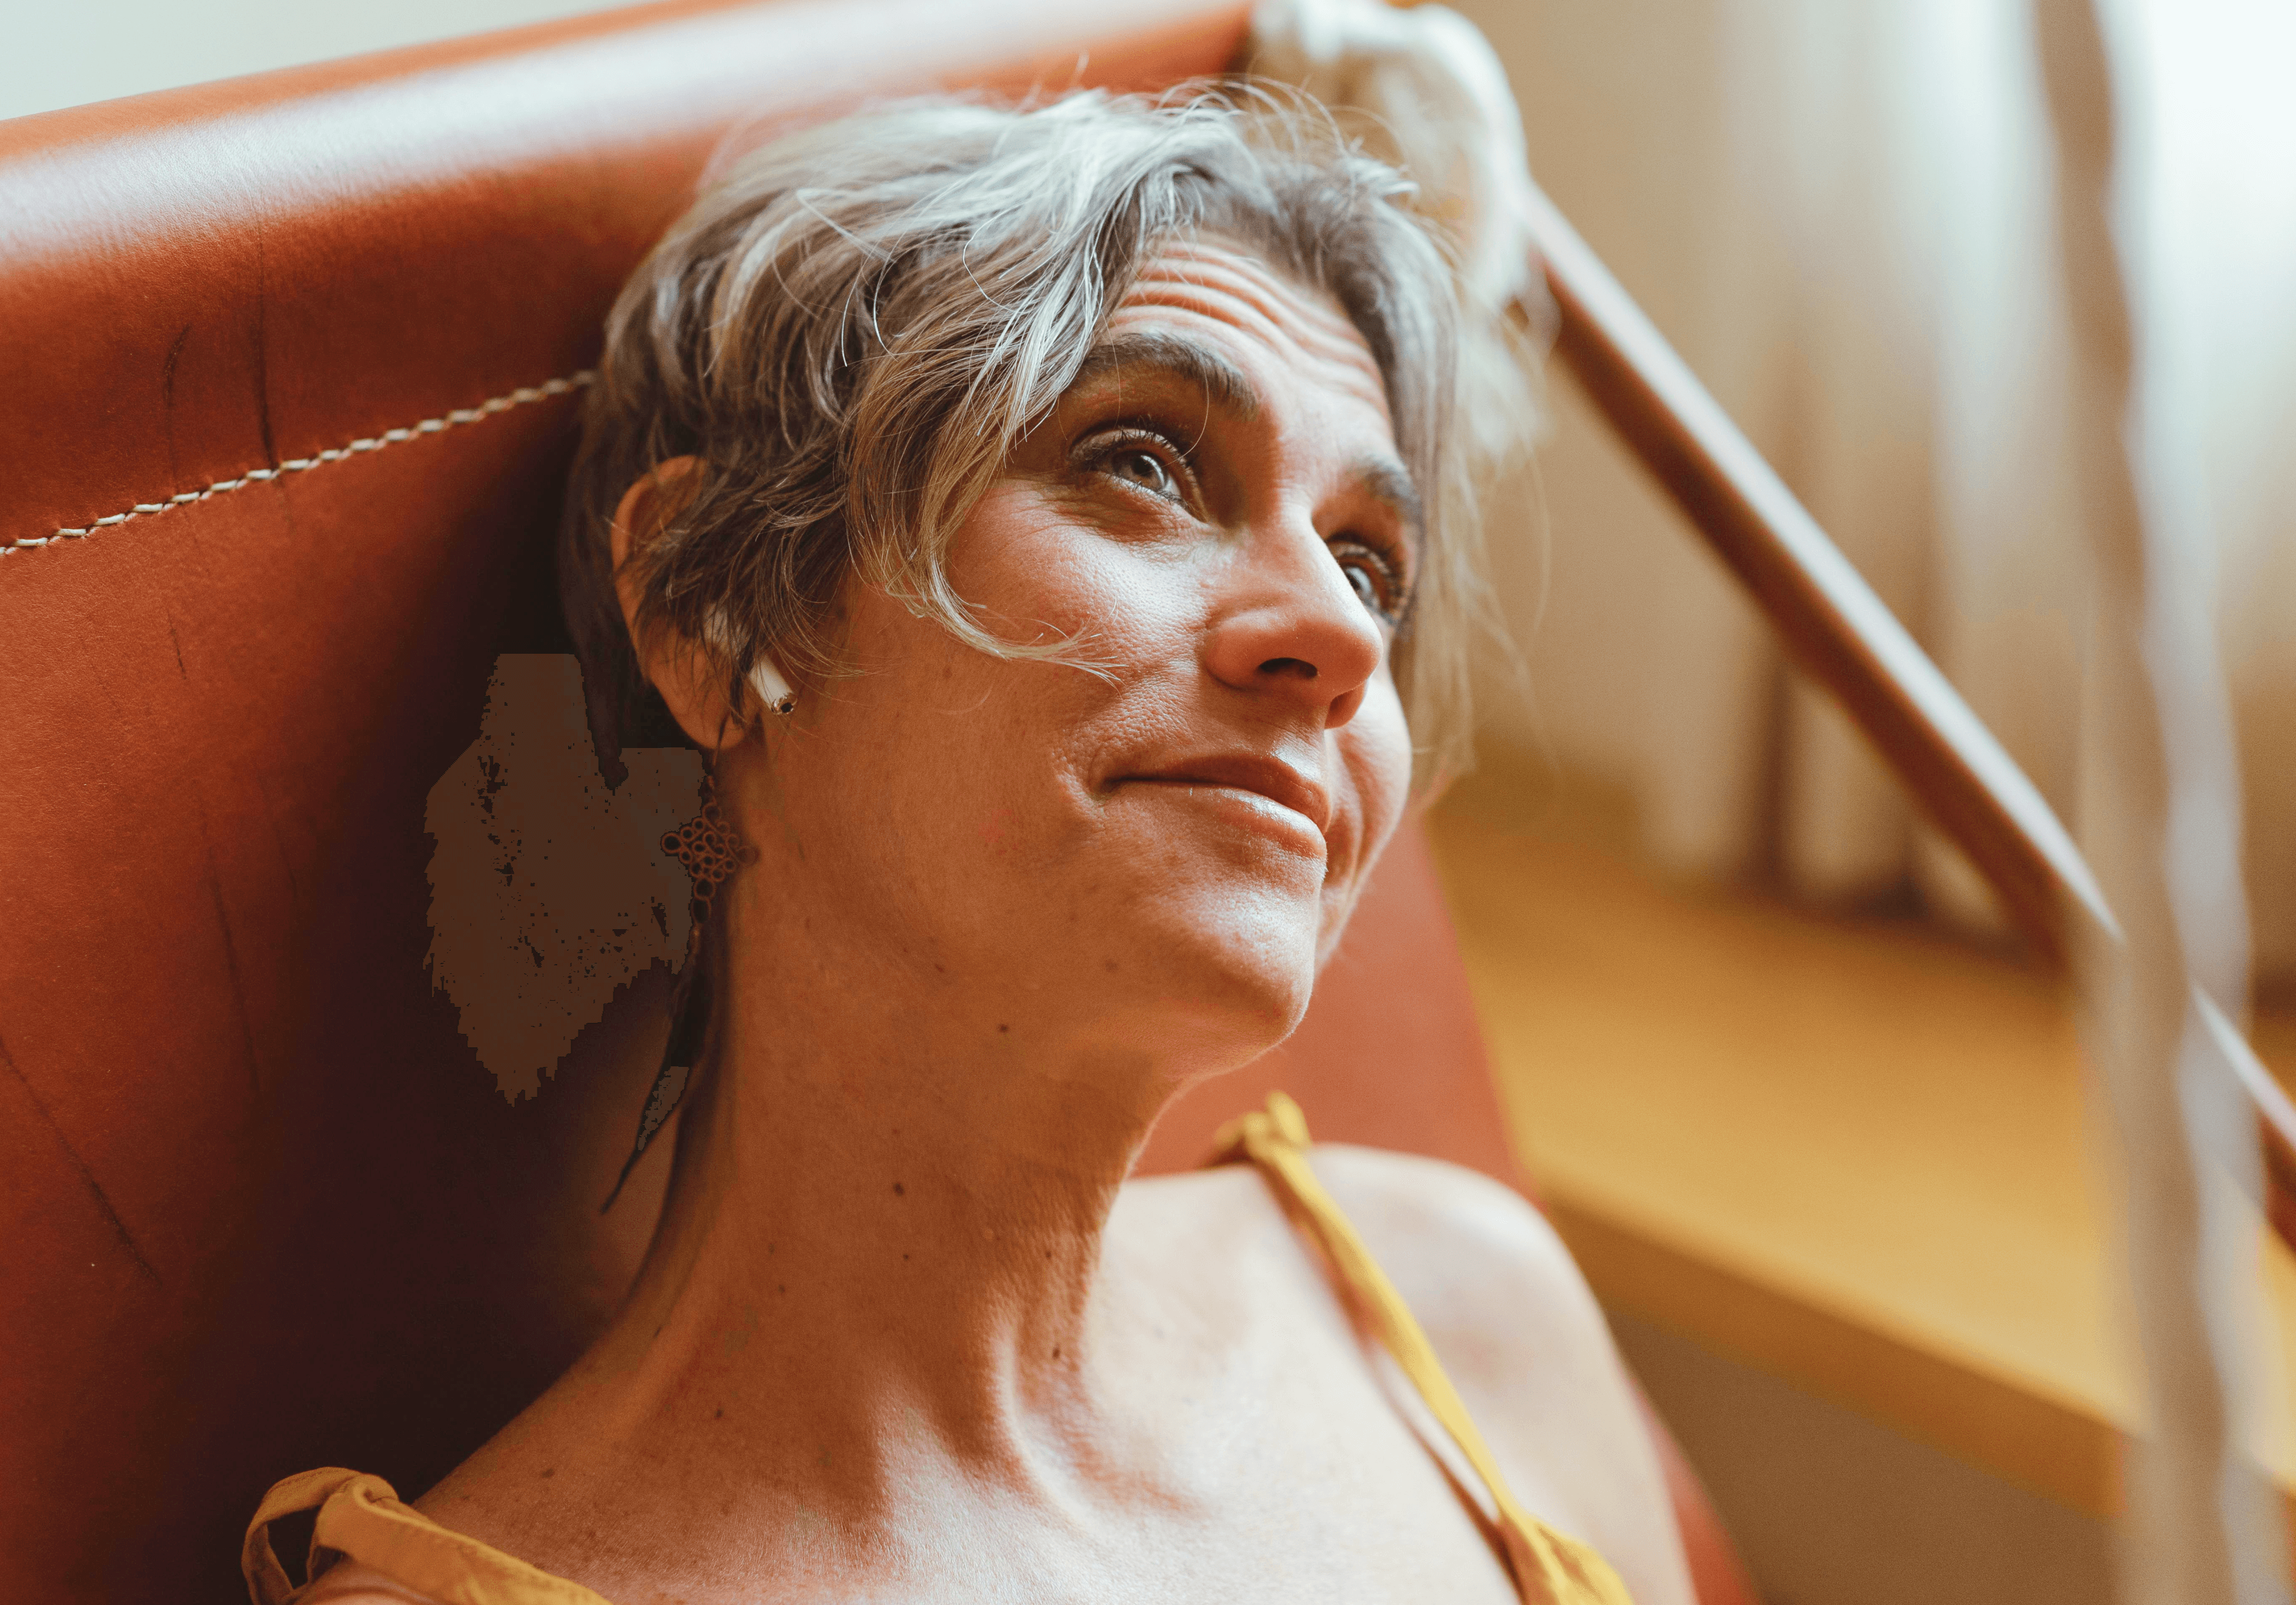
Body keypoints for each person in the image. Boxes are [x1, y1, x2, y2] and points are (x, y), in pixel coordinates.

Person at [244, 86, 1695, 1605]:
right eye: (1140, 461)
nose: (1336, 635)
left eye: (1367, 561)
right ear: (711, 607)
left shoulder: (1465, 1316)